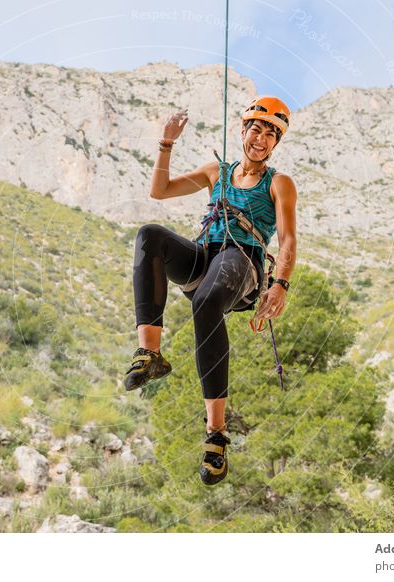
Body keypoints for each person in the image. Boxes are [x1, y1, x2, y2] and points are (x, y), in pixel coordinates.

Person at [124, 96, 298, 485]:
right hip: (206, 257)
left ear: (275, 145)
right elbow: (160, 191)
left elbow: (287, 240)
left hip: (243, 264)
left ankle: (215, 435)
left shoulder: (279, 184)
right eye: (256, 128)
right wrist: (166, 143)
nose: (261, 138)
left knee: (206, 301)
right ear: (242, 131)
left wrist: (281, 284)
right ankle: (150, 354)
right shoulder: (215, 172)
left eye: (270, 134)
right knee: (150, 235)